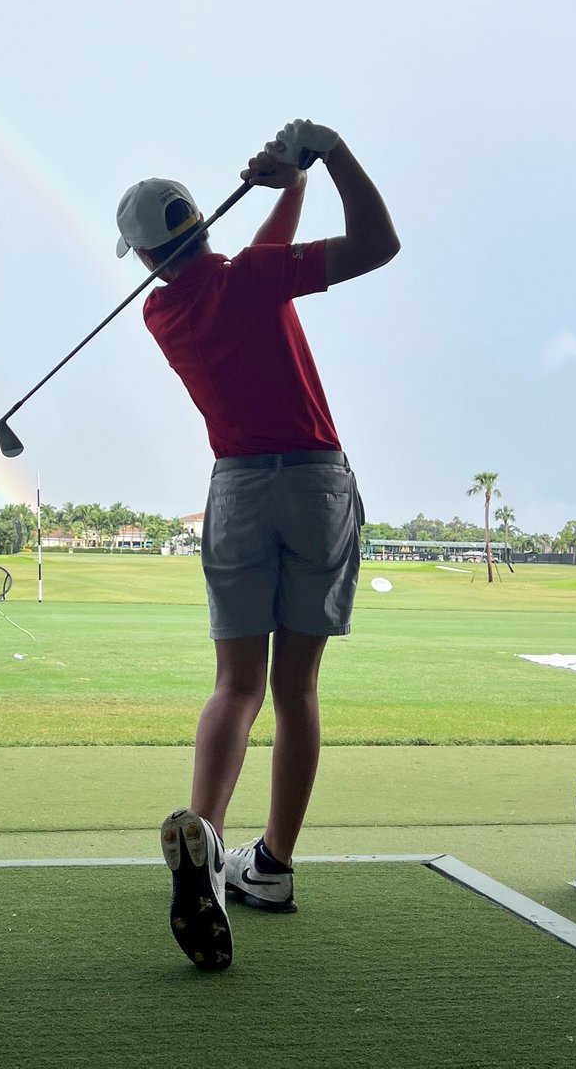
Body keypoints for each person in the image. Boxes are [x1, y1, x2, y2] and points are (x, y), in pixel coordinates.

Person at [115, 120, 400, 971]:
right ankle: (270, 866)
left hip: (236, 491)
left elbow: (245, 272)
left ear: (141, 258)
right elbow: (379, 243)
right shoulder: (255, 276)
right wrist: (331, 152)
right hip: (313, 483)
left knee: (235, 685)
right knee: (297, 687)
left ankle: (206, 834)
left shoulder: (162, 312)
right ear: (203, 224)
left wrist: (290, 183)